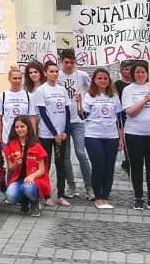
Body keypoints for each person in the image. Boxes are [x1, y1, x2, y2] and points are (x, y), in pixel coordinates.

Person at [120, 62, 150, 211]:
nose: (140, 75)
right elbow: (130, 112)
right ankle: (138, 197)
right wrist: (144, 101)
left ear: (147, 74)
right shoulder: (128, 90)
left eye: (143, 72)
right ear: (133, 74)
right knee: (137, 166)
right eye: (137, 72)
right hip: (134, 133)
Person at [76, 68, 121, 210]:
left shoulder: (114, 95)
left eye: (105, 78)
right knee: (99, 164)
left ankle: (105, 196)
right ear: (94, 80)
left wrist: (121, 137)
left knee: (109, 167)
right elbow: (83, 116)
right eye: (99, 78)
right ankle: (98, 197)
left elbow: (120, 118)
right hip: (93, 135)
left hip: (111, 136)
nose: (103, 81)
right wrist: (79, 103)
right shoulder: (89, 95)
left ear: (109, 80)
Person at [34, 61, 73, 206]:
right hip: (46, 134)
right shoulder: (41, 91)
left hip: (61, 135)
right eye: (51, 71)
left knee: (61, 164)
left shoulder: (62, 90)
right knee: (45, 165)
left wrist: (65, 131)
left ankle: (61, 195)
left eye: (56, 71)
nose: (54, 74)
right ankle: (46, 195)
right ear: (45, 73)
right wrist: (54, 132)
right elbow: (43, 114)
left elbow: (68, 111)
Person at [55, 50, 92, 198]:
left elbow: (92, 93)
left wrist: (82, 100)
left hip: (78, 121)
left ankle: (89, 186)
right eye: (66, 62)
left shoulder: (82, 75)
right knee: (65, 157)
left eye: (72, 62)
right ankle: (71, 186)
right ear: (61, 61)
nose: (69, 65)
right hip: (62, 122)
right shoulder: (56, 75)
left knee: (81, 153)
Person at [1, 115, 50, 216]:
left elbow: (42, 170)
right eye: (17, 127)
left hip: (34, 180)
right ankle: (24, 202)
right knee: (10, 195)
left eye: (22, 126)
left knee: (27, 188)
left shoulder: (36, 145)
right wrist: (15, 163)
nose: (19, 129)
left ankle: (35, 203)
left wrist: (32, 176)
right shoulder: (11, 144)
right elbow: (10, 168)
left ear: (28, 127)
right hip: (18, 179)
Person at [0, 65, 34, 146]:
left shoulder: (28, 96)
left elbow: (32, 118)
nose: (17, 81)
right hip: (7, 139)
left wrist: (34, 138)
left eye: (19, 78)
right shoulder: (2, 96)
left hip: (25, 139)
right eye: (14, 78)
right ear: (9, 79)